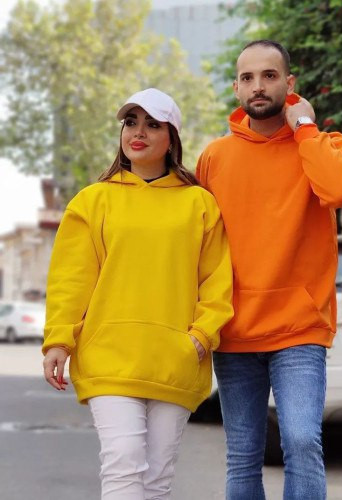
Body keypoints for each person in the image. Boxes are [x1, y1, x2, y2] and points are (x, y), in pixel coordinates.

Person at [196, 40, 342, 500]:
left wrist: (305, 127)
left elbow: (337, 191)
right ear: (236, 88)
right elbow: (199, 242)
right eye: (248, 77)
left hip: (300, 329)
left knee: (302, 442)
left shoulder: (330, 147)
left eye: (269, 75)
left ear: (289, 84)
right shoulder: (214, 158)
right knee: (242, 456)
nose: (258, 85)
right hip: (234, 329)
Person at [42, 87, 233, 500]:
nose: (138, 132)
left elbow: (216, 282)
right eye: (131, 122)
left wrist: (200, 338)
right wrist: (58, 339)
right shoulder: (92, 201)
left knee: (158, 478)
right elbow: (71, 279)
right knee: (124, 461)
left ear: (172, 138)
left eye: (152, 124)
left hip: (175, 359)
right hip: (109, 355)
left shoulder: (200, 204)